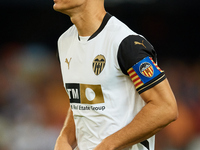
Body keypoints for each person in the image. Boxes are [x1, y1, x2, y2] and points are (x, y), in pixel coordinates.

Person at [53, 0, 178, 150]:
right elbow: (83, 102)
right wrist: (64, 138)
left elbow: (166, 108)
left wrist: (108, 145)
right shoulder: (64, 42)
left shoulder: (125, 43)